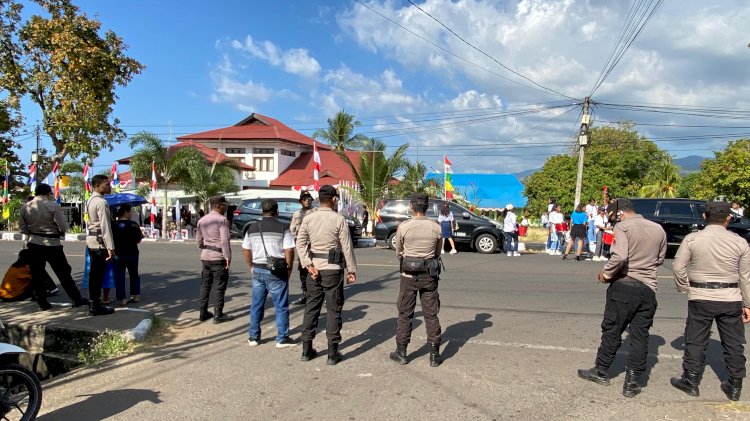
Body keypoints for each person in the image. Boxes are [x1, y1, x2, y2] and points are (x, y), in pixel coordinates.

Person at [577, 198, 667, 398]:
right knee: (640, 335)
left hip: (624, 285)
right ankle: (632, 382)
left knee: (612, 330)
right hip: (648, 289)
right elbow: (660, 259)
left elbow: (620, 256)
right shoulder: (658, 229)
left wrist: (606, 273)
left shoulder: (623, 227)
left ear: (619, 213)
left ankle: (601, 371)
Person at [670, 201, 750, 401]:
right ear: (728, 218)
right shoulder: (740, 242)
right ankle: (734, 385)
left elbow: (678, 266)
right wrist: (747, 303)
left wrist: (684, 287)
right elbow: (745, 276)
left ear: (704, 217)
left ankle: (691, 381)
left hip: (701, 296)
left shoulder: (692, 239)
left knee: (696, 340)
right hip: (731, 297)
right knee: (734, 343)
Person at [296, 185, 357, 365]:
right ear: (334, 199)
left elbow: (300, 244)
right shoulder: (338, 219)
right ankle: (332, 353)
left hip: (314, 269)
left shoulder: (309, 218)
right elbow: (347, 247)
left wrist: (307, 264)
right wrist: (351, 270)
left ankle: (306, 350)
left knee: (311, 308)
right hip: (333, 270)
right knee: (333, 309)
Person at [389, 193, 443, 367]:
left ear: (411, 207)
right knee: (431, 314)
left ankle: (402, 352)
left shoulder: (404, 227)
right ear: (427, 207)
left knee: (405, 314)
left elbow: (399, 252)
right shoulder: (436, 227)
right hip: (429, 276)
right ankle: (434, 355)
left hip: (409, 276)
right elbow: (437, 252)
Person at [20, 183, 88, 311]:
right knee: (63, 273)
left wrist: (33, 233)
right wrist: (59, 232)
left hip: (34, 243)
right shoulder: (52, 205)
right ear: (47, 193)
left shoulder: (25, 207)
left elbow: (23, 228)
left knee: (37, 274)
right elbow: (63, 226)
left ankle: (42, 302)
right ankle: (76, 298)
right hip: (52, 243)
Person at [242, 199, 298, 348]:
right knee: (281, 306)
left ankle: (253, 337)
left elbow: (246, 249)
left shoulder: (252, 228)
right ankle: (282, 338)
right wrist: (289, 268)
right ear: (277, 211)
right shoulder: (283, 227)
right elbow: (289, 250)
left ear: (262, 212)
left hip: (258, 269)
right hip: (277, 271)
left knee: (257, 305)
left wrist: (251, 265)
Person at [195, 195, 234, 324]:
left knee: (205, 285)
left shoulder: (202, 220)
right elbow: (224, 241)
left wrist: (205, 250)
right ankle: (218, 314)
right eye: (224, 205)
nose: (226, 207)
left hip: (206, 257)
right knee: (219, 285)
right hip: (218, 257)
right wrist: (228, 257)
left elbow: (199, 241)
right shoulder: (222, 220)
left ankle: (203, 312)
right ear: (218, 206)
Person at [85, 175, 115, 316]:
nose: (109, 186)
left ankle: (93, 303)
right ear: (97, 185)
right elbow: (105, 226)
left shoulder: (90, 199)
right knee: (97, 275)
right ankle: (95, 305)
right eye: (107, 184)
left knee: (94, 275)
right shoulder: (101, 202)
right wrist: (110, 247)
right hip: (99, 242)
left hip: (92, 240)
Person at [112, 204, 143, 306]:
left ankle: (122, 298)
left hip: (118, 254)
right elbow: (138, 239)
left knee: (119, 276)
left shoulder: (113, 225)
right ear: (125, 212)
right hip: (132, 253)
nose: (131, 214)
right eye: (130, 211)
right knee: (134, 274)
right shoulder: (134, 225)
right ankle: (135, 295)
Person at [289, 191, 315, 306]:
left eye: (309, 199)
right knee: (303, 271)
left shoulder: (316, 213)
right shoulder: (297, 214)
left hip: (314, 246)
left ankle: (317, 295)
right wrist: (297, 241)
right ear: (301, 201)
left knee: (316, 270)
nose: (307, 200)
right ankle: (305, 294)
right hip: (302, 247)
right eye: (304, 199)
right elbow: (292, 229)